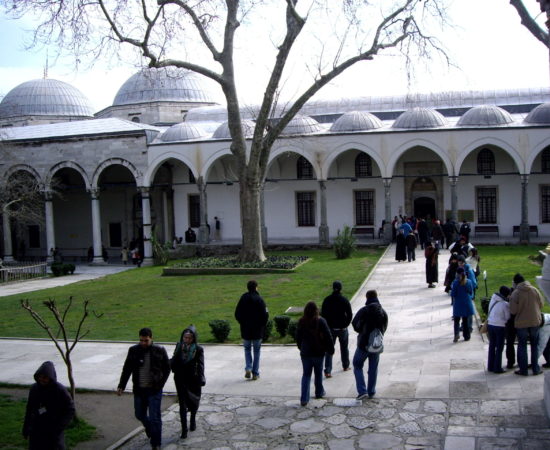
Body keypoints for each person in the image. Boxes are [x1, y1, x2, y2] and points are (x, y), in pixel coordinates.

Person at [117, 328, 171, 450]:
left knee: (154, 417)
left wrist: (161, 383)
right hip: (139, 389)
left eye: (146, 340)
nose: (143, 343)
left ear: (151, 338)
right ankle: (149, 428)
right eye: (141, 340)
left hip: (154, 390)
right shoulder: (133, 350)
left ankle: (156, 443)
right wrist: (121, 385)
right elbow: (127, 369)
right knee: (139, 414)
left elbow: (167, 368)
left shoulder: (159, 350)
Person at [23, 361, 75, 450]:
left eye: (45, 377)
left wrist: (59, 427)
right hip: (37, 429)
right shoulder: (34, 389)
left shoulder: (60, 390)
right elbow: (30, 408)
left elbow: (70, 409)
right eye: (40, 377)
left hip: (53, 430)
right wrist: (26, 427)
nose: (42, 380)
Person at [352, 290, 388, 400]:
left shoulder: (364, 311)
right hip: (376, 344)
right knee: (373, 368)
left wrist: (361, 331)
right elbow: (385, 326)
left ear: (367, 298)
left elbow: (355, 324)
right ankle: (371, 391)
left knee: (357, 365)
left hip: (363, 344)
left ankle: (362, 390)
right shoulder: (382, 312)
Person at [296, 301, 334, 406]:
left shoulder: (301, 321)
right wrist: (330, 349)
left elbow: (298, 337)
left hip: (305, 352)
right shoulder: (321, 321)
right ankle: (319, 392)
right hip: (318, 351)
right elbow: (328, 336)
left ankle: (304, 398)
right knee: (318, 373)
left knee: (306, 375)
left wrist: (300, 347)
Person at [171, 326, 205, 439]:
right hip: (180, 379)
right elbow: (174, 359)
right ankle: (184, 429)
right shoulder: (179, 346)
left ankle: (193, 419)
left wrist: (201, 378)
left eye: (189, 338)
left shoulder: (198, 349)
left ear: (193, 338)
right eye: (185, 337)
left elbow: (200, 365)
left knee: (194, 400)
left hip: (193, 379)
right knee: (182, 404)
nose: (187, 340)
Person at [509, 273, 545, 376]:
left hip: (521, 323)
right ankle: (535, 369)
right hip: (534, 321)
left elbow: (513, 311)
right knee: (534, 346)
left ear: (515, 283)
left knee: (522, 345)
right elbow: (541, 304)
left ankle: (523, 370)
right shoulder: (534, 290)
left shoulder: (516, 293)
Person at [234, 280, 269, 380]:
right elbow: (265, 314)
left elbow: (237, 313)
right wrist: (262, 325)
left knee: (247, 349)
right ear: (256, 287)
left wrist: (242, 323)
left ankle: (248, 367)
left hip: (245, 330)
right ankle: (255, 373)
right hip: (257, 330)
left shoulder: (243, 298)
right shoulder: (259, 299)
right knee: (257, 351)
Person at [321, 280, 353, 377]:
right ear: (341, 288)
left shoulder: (327, 300)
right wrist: (346, 324)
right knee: (344, 348)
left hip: (331, 329)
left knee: (329, 349)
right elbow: (350, 314)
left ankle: (328, 370)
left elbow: (323, 314)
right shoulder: (344, 300)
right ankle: (346, 366)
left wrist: (327, 326)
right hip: (342, 328)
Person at [487, 286, 511, 373]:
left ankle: (490, 366)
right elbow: (507, 317)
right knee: (499, 348)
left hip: (490, 325)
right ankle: (497, 367)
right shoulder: (505, 304)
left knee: (492, 346)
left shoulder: (493, 299)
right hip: (500, 327)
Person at [451, 267, 474, 342]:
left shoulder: (455, 283)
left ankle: (456, 334)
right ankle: (466, 336)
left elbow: (453, 294)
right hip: (466, 303)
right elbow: (471, 292)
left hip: (458, 303)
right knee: (465, 320)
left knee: (456, 320)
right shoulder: (469, 282)